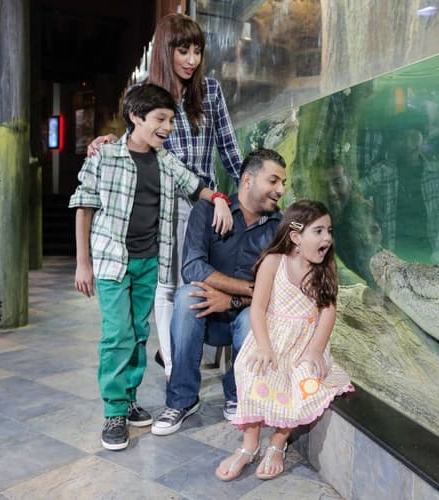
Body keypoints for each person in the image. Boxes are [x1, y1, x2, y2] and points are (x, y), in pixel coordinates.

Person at [70, 83, 233, 451]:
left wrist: (220, 198)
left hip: (149, 264)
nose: (168, 128)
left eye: (172, 121)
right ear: (135, 117)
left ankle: (127, 398)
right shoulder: (104, 156)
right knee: (117, 334)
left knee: (139, 335)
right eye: (161, 120)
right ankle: (113, 411)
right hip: (113, 262)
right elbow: (84, 206)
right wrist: (84, 264)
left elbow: (196, 187)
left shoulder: (166, 160)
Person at [89, 13, 242, 377]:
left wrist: (251, 189)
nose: (192, 60)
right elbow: (131, 141)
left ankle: (185, 349)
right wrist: (105, 142)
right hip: (163, 203)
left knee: (201, 280)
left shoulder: (212, 92)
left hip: (205, 201)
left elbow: (229, 149)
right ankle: (176, 367)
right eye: (183, 50)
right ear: (165, 51)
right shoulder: (143, 91)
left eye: (197, 51)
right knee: (167, 285)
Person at [151, 148, 287, 436]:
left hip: (246, 315)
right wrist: (249, 289)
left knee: (253, 316)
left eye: (283, 183)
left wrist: (234, 298)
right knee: (187, 296)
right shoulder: (208, 210)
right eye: (273, 181)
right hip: (207, 316)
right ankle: (182, 401)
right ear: (248, 180)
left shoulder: (281, 226)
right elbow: (193, 267)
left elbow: (281, 288)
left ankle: (237, 394)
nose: (280, 190)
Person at [215, 200, 354, 482]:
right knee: (250, 370)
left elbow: (328, 311)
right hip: (273, 337)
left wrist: (315, 351)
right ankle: (249, 445)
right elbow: (258, 308)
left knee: (303, 384)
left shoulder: (324, 269)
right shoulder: (273, 263)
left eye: (329, 230)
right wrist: (264, 346)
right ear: (295, 237)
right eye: (318, 231)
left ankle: (278, 442)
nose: (327, 237)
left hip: (305, 344)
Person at [360, 107, 439, 264]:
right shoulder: (384, 172)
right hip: (395, 254)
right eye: (403, 137)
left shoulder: (436, 172)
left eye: (414, 137)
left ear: (423, 138)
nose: (408, 143)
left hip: (429, 254)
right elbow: (359, 189)